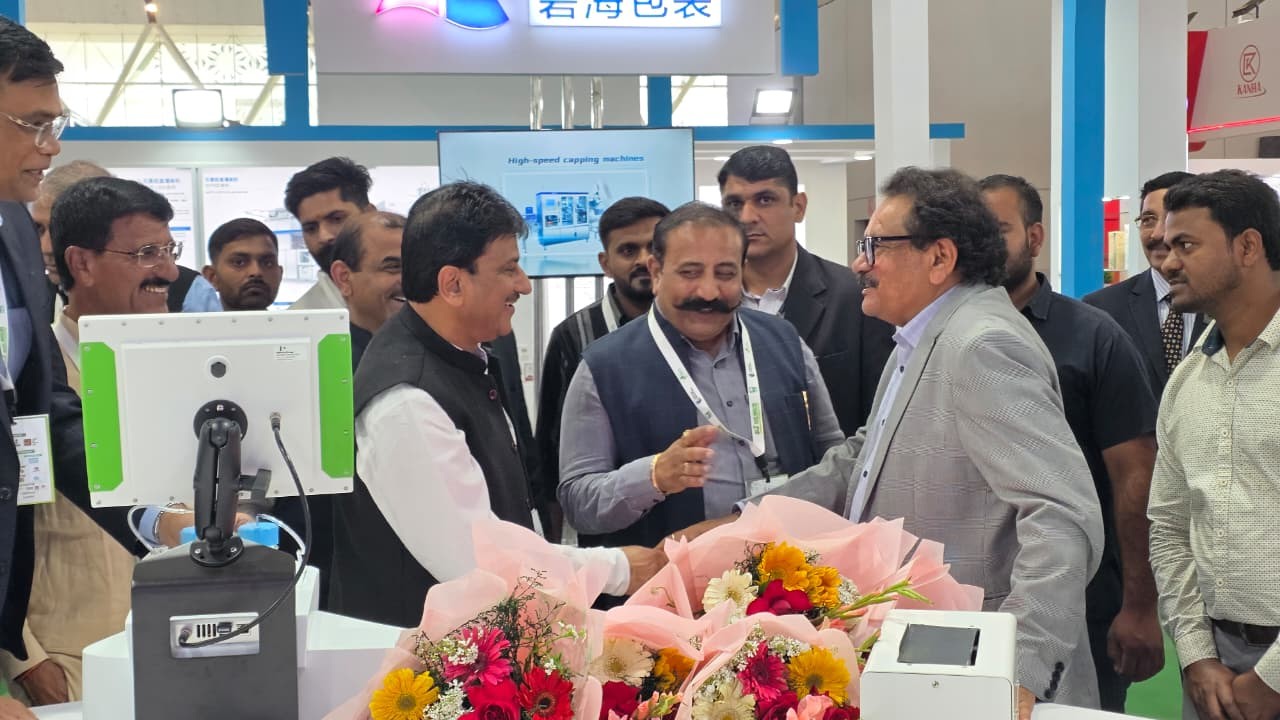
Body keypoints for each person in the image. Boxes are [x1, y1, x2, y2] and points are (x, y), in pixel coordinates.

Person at [742, 167, 1103, 716]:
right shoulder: (922, 337)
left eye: (875, 246)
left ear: (939, 257)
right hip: (933, 657)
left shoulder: (981, 345)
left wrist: (1021, 667)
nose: (859, 264)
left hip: (984, 670)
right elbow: (863, 457)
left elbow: (1062, 515)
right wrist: (748, 518)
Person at [327, 181, 663, 628]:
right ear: (453, 284)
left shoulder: (466, 357)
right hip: (426, 657)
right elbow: (477, 564)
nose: (523, 285)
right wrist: (618, 568)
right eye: (508, 269)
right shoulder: (407, 402)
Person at [558, 201, 843, 554]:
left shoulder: (784, 341)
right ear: (656, 272)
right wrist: (653, 476)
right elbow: (578, 502)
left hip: (791, 570)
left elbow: (832, 454)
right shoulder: (602, 367)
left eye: (725, 274)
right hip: (670, 580)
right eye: (690, 273)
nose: (708, 292)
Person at [981, 174, 1164, 712]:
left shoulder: (1092, 336)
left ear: (1035, 237)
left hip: (1082, 599)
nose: (981, 246)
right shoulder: (945, 337)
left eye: (997, 230)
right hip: (973, 594)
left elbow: (1134, 476)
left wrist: (1138, 604)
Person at [0, 19, 137, 718]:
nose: (50, 145)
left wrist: (150, 516)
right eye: (33, 124)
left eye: (57, 123)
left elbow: (45, 416)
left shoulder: (16, 238)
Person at [0, 177, 181, 705]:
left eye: (169, 250)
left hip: (180, 649)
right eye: (146, 253)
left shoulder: (189, 368)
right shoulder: (28, 376)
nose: (168, 271)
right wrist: (26, 660)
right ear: (81, 263)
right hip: (68, 660)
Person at [1147, 169, 1280, 720]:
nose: (1166, 262)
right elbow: (1169, 526)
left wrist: (1272, 680)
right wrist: (1197, 655)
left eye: (1186, 245)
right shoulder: (1187, 380)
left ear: (1247, 247)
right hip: (1214, 671)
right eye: (1164, 245)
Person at [717, 146, 894, 435]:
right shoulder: (708, 303)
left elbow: (881, 413)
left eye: (765, 200)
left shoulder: (854, 298)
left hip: (829, 460)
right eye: (734, 203)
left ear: (798, 207)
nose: (747, 217)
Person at [534, 197, 668, 543]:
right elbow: (550, 449)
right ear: (605, 263)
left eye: (653, 247)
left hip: (689, 519)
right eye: (628, 250)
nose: (643, 259)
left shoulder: (697, 327)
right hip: (607, 537)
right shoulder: (573, 335)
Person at [33, 160, 220, 319]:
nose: (46, 247)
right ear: (80, 262)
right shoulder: (30, 304)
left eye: (169, 251)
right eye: (39, 229)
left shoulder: (190, 293)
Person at [1084, 171, 1209, 396]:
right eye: (1148, 220)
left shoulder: (1228, 304)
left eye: (1171, 218)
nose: (1158, 234)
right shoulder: (1101, 310)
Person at [283, 157, 373, 311]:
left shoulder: (413, 294)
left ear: (370, 214)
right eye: (311, 228)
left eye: (336, 219)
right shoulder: (299, 318)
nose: (324, 236)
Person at [327, 211, 405, 367]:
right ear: (344, 278)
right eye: (393, 267)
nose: (411, 280)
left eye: (417, 267)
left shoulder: (441, 353)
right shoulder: (325, 365)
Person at [201, 218, 283, 311]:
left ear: (280, 275)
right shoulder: (192, 320)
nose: (256, 272)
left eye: (268, 263)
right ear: (212, 277)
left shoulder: (296, 320)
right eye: (239, 262)